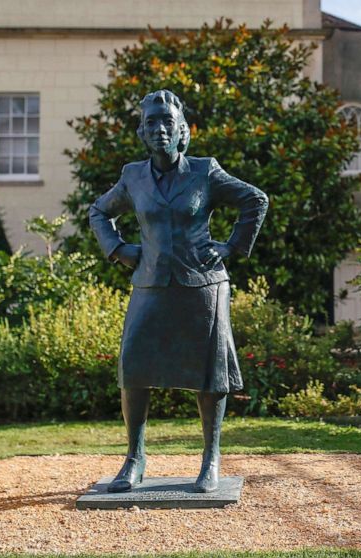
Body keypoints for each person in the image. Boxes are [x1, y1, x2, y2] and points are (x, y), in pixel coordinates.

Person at [88, 89, 268, 493]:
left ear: (182, 131)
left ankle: (211, 460)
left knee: (210, 374)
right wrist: (118, 250)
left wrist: (232, 247)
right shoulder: (132, 176)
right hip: (150, 282)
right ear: (141, 132)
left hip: (202, 284)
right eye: (151, 122)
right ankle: (134, 459)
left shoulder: (204, 172)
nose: (159, 129)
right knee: (133, 366)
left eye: (167, 121)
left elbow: (255, 200)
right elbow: (99, 211)